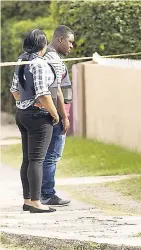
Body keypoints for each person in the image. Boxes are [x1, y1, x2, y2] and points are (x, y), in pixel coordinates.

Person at [10, 29, 59, 213]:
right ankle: (36, 202)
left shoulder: (21, 60)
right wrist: (54, 114)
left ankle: (27, 200)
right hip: (38, 117)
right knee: (37, 160)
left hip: (22, 114)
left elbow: (14, 90)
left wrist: (23, 103)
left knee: (28, 160)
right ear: (42, 45)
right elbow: (43, 94)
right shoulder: (39, 63)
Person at [41, 25, 75, 206]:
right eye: (70, 41)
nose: (72, 46)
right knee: (52, 155)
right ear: (60, 39)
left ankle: (41, 193)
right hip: (55, 113)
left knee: (47, 155)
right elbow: (57, 90)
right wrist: (64, 116)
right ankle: (47, 194)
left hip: (52, 112)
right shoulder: (53, 58)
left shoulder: (46, 55)